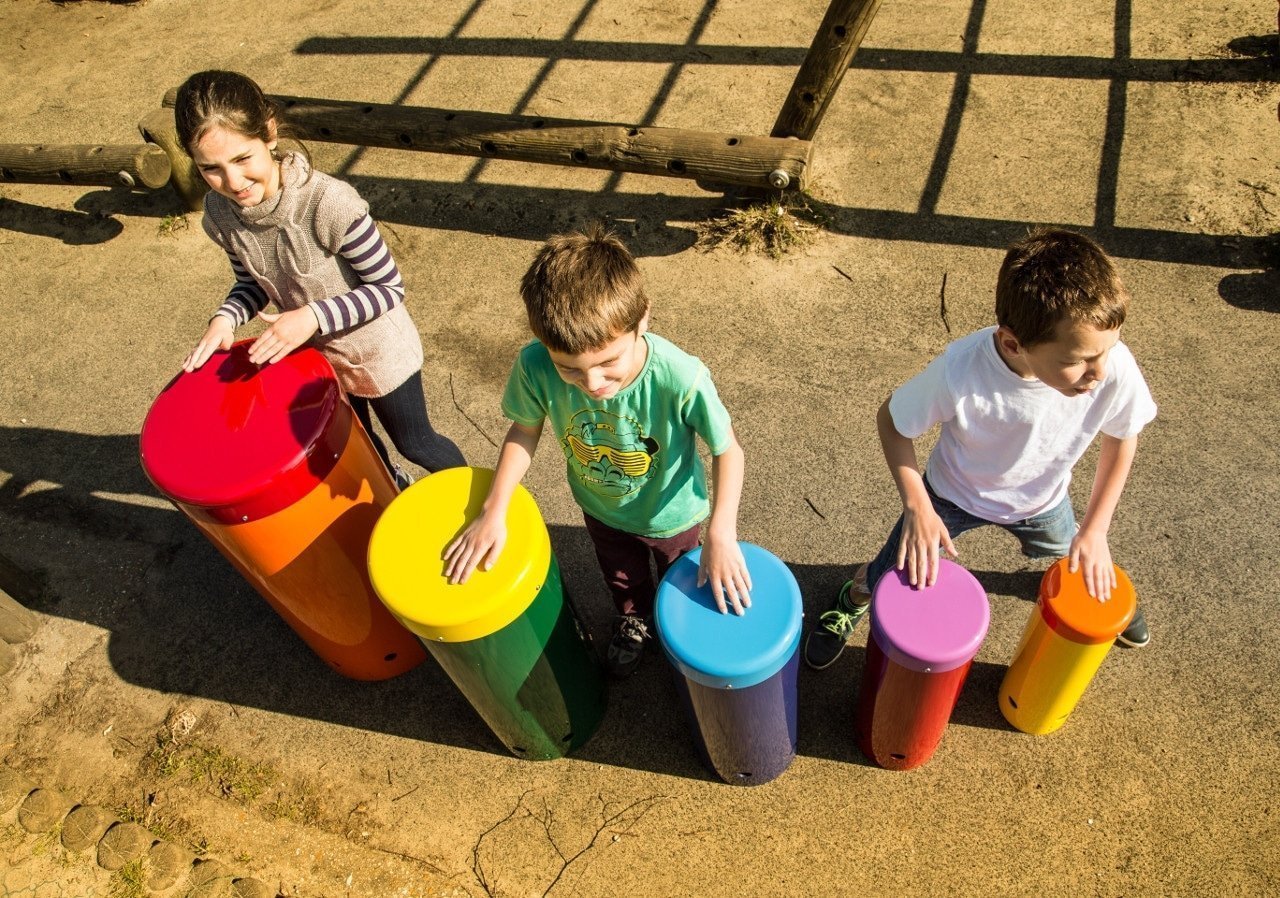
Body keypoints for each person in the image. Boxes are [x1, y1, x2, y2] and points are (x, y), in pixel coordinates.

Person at [805, 227, 1158, 670]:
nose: (1100, 371)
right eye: (1078, 360)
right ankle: (856, 593)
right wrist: (918, 507)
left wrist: (1097, 530)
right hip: (950, 498)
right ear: (1014, 344)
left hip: (1042, 502)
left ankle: (1103, 596)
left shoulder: (1111, 363)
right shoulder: (961, 370)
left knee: (1079, 553)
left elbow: (1123, 435)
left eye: (1109, 348)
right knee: (892, 573)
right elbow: (892, 423)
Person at [443, 225, 751, 677]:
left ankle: (676, 631)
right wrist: (494, 509)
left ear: (642, 318)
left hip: (675, 517)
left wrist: (722, 532)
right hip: (600, 508)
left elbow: (729, 451)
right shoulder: (534, 365)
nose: (593, 384)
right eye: (569, 369)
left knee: (682, 581)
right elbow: (524, 430)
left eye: (609, 362)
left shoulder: (680, 377)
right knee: (622, 578)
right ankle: (635, 621)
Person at [174, 70, 464, 484]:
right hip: (316, 359)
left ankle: (480, 504)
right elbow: (251, 282)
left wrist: (312, 316)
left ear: (270, 134)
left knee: (415, 443)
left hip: (379, 355)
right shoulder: (220, 215)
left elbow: (388, 288)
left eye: (242, 159)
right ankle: (394, 492)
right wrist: (225, 318)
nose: (233, 182)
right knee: (359, 442)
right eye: (211, 169)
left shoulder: (328, 202)